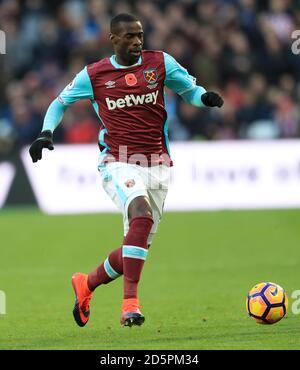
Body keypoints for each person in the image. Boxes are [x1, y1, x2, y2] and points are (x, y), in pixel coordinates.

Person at [29, 13, 223, 328]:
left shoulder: (160, 64)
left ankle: (86, 283)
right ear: (113, 39)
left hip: (158, 164)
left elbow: (191, 92)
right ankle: (130, 304)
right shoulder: (94, 74)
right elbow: (59, 103)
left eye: (140, 35)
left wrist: (205, 99)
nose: (137, 41)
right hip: (117, 161)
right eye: (130, 36)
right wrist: (45, 133)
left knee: (135, 245)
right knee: (141, 215)